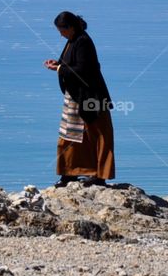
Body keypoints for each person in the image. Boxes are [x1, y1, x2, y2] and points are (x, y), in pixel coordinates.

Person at [43, 10, 115, 187]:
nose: (60, 34)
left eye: (62, 30)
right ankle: (70, 173)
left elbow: (83, 69)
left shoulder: (83, 42)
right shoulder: (73, 40)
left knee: (98, 135)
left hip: (91, 97)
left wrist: (59, 69)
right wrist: (58, 64)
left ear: (71, 27)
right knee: (70, 135)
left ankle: (99, 175)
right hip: (75, 97)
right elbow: (72, 64)